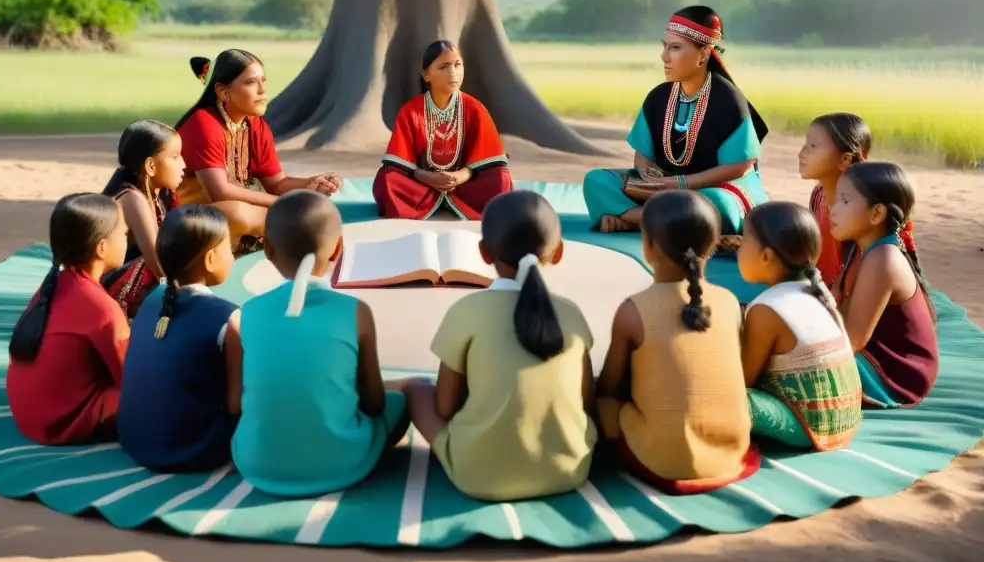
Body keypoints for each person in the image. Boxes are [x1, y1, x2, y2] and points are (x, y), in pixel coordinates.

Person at [404, 190, 596, 501]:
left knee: (416, 390)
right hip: (568, 472)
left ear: (483, 252)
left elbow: (444, 407)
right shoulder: (571, 312)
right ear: (558, 252)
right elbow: (586, 401)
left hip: (479, 476)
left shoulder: (466, 310)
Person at [231, 190, 409, 496]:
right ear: (338, 248)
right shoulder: (355, 311)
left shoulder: (248, 313)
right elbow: (375, 403)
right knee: (405, 399)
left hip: (257, 463)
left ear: (268, 249)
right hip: (342, 463)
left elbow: (243, 399)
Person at [594, 190, 758, 494]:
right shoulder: (729, 302)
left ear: (648, 247)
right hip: (732, 451)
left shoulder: (633, 310)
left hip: (664, 461)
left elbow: (608, 387)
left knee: (602, 405)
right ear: (712, 246)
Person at [582, 6, 769, 235]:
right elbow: (643, 156)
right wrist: (650, 179)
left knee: (715, 204)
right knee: (597, 181)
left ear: (703, 54)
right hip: (664, 188)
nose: (664, 56)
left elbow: (741, 166)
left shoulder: (728, 99)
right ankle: (663, 220)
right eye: (665, 46)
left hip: (718, 188)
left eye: (676, 48)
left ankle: (635, 218)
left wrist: (681, 185)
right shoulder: (658, 97)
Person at [175, 49, 342, 250]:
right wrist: (284, 204)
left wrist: (310, 184)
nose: (262, 90)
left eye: (263, 80)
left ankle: (280, 230)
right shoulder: (204, 123)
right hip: (182, 223)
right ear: (223, 92)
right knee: (238, 212)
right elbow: (220, 192)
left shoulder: (256, 126)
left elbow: (278, 184)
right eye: (251, 82)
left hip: (228, 218)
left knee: (310, 210)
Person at [119, 205, 240, 473]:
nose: (232, 256)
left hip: (134, 440)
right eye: (229, 248)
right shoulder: (229, 317)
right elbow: (235, 405)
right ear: (210, 259)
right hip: (192, 450)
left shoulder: (150, 301)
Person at [6, 194, 130, 445]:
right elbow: (129, 380)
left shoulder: (53, 285)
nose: (128, 238)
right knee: (161, 397)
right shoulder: (100, 306)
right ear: (102, 247)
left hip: (26, 415)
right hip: (58, 423)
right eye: (124, 233)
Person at [738, 202, 862, 451]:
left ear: (766, 257)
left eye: (742, 242)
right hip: (847, 418)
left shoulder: (767, 309)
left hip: (809, 425)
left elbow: (744, 379)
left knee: (718, 395)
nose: (737, 250)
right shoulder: (816, 290)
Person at [830, 162, 939, 408]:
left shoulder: (883, 259)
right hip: (871, 353)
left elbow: (852, 341)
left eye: (844, 202)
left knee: (789, 364)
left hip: (898, 375)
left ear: (876, 214)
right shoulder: (859, 250)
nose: (833, 210)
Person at [373, 40, 513, 220]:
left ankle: (455, 198)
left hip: (464, 185)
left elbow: (490, 157)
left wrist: (461, 175)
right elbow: (398, 160)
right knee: (387, 180)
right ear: (426, 75)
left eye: (457, 65)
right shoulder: (411, 111)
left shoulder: (475, 108)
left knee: (500, 179)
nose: (453, 73)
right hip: (420, 183)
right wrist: (426, 177)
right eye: (444, 67)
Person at [799, 113, 913, 301]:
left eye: (813, 146)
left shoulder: (859, 212)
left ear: (844, 160)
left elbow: (859, 285)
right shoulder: (818, 195)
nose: (802, 153)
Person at [100, 120, 185, 318]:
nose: (184, 164)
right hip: (108, 289)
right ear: (150, 166)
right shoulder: (132, 198)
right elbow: (157, 261)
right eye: (175, 157)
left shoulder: (158, 193)